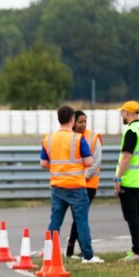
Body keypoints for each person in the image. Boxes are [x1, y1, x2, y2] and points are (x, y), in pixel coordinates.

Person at [40, 105, 103, 264]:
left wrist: (58, 167)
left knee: (55, 221)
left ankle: (49, 252)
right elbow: (89, 161)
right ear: (72, 120)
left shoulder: (49, 138)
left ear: (59, 119)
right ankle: (88, 256)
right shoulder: (78, 139)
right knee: (81, 221)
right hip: (76, 185)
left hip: (57, 185)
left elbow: (43, 163)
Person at [113, 100, 139, 262]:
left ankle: (137, 251)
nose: (121, 115)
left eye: (122, 112)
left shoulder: (131, 131)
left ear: (127, 113)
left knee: (132, 216)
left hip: (130, 179)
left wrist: (118, 177)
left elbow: (126, 157)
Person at [67, 110, 102, 257]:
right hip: (73, 184)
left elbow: (96, 162)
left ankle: (77, 247)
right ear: (73, 122)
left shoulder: (93, 137)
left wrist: (84, 177)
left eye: (85, 121)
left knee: (80, 217)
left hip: (88, 184)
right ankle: (73, 245)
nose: (83, 124)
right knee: (78, 217)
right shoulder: (69, 137)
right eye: (80, 121)